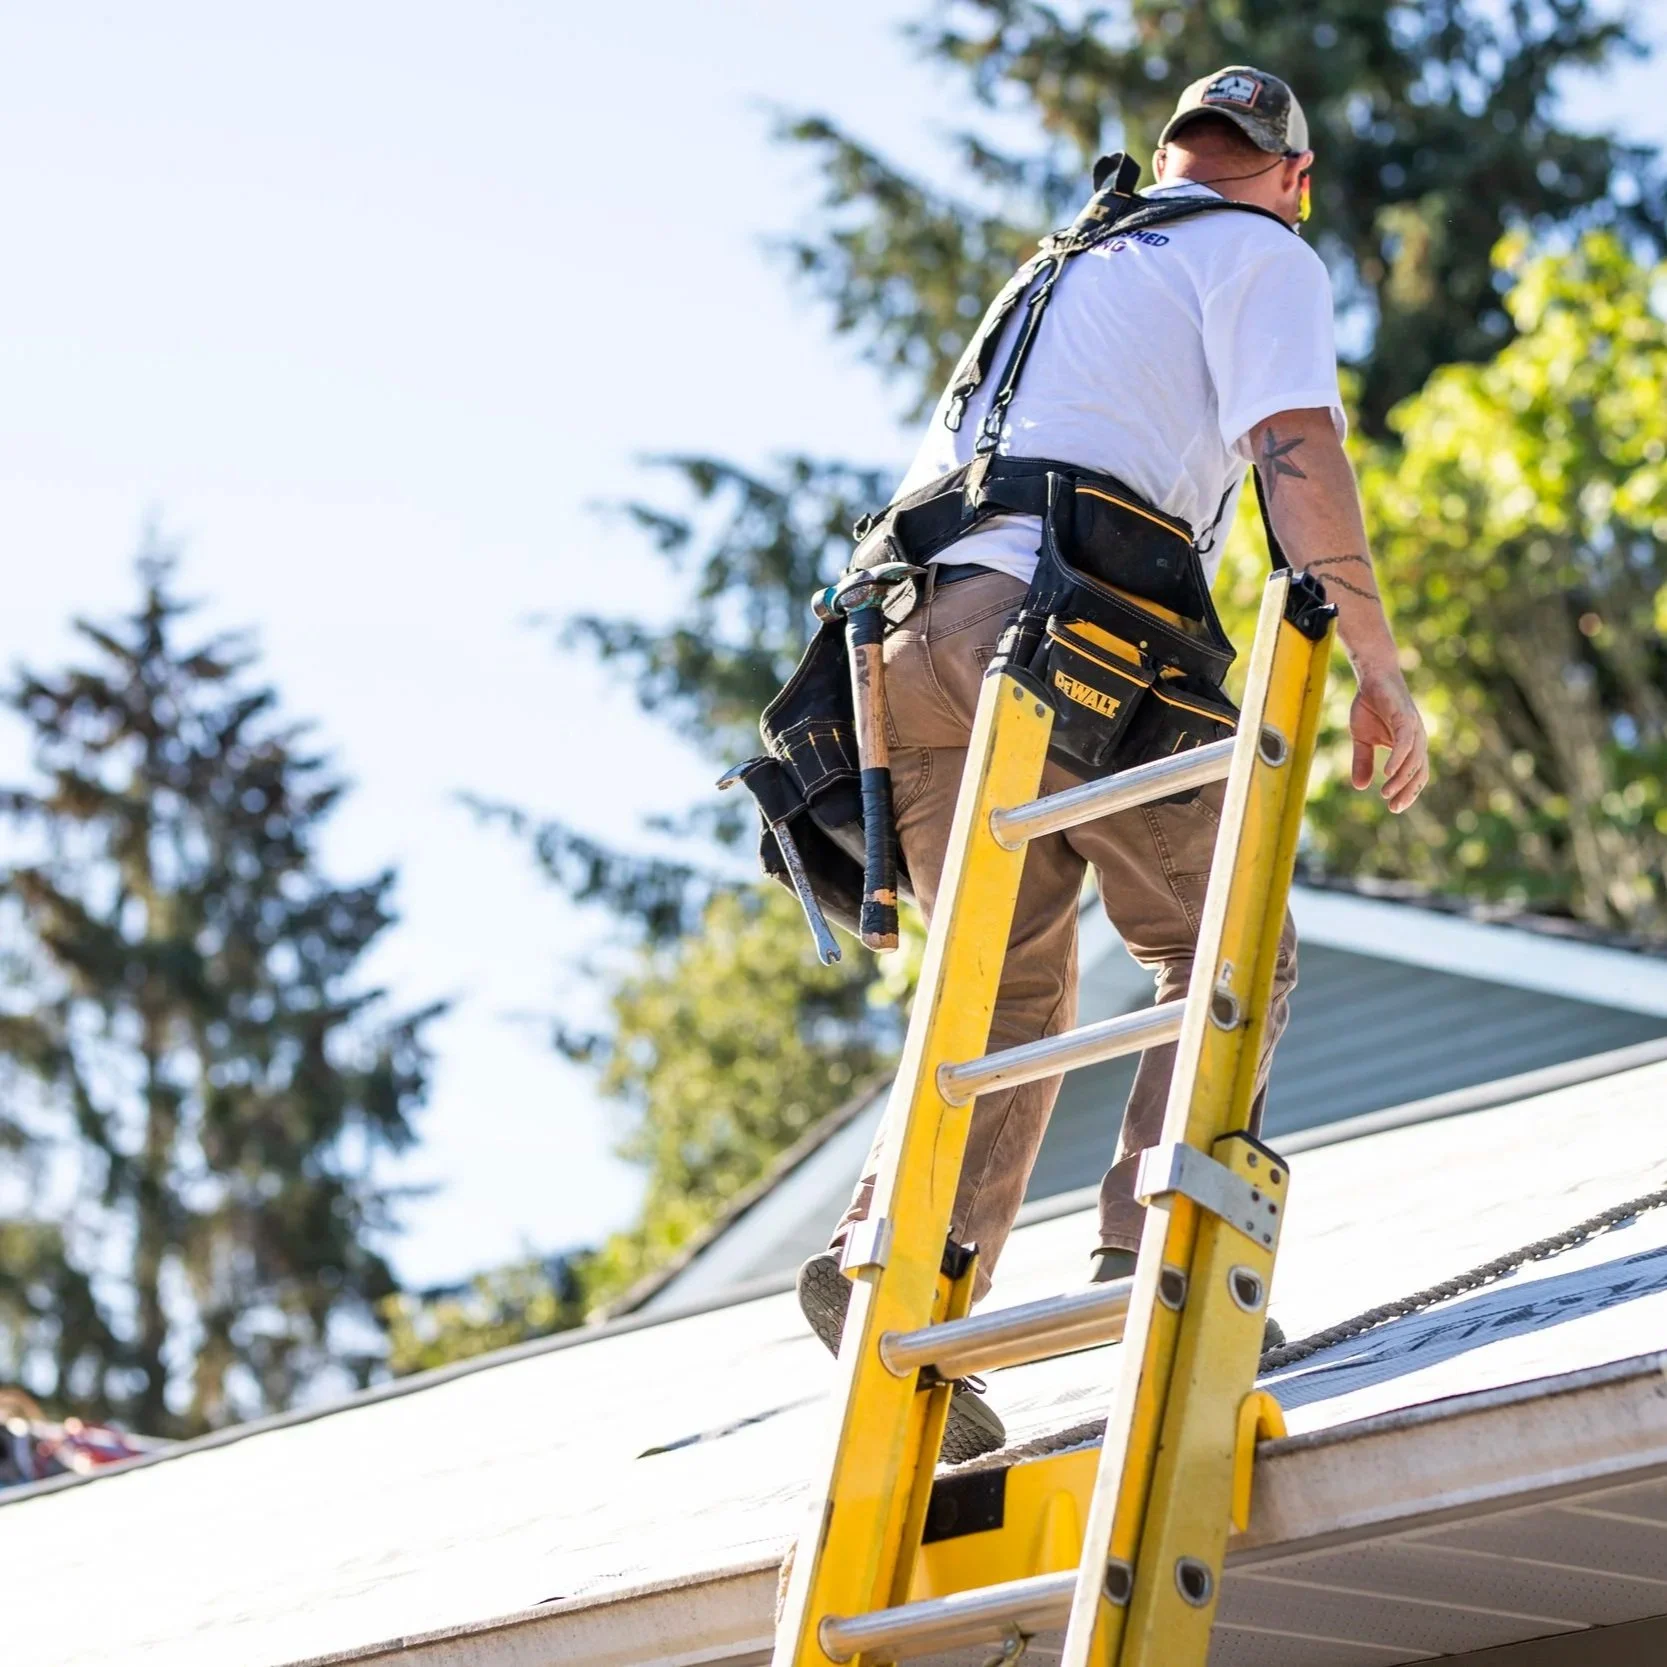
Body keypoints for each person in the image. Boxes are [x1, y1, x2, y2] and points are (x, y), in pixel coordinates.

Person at [794, 65, 1429, 1461]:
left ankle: (892, 1263)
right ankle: (1157, 1248)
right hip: (1061, 628)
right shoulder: (1257, 249)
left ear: (1166, 158)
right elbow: (1290, 447)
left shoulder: (1064, 265)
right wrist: (1376, 664)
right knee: (1223, 943)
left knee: (1003, 989)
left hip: (900, 641)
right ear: (1289, 175)